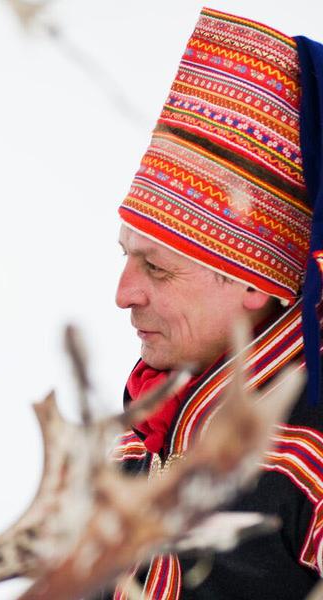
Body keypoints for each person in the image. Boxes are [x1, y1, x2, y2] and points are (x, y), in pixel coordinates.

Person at [106, 7, 323, 599]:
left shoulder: (309, 459)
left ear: (254, 283)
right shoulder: (135, 432)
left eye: (157, 267)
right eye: (124, 257)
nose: (123, 293)